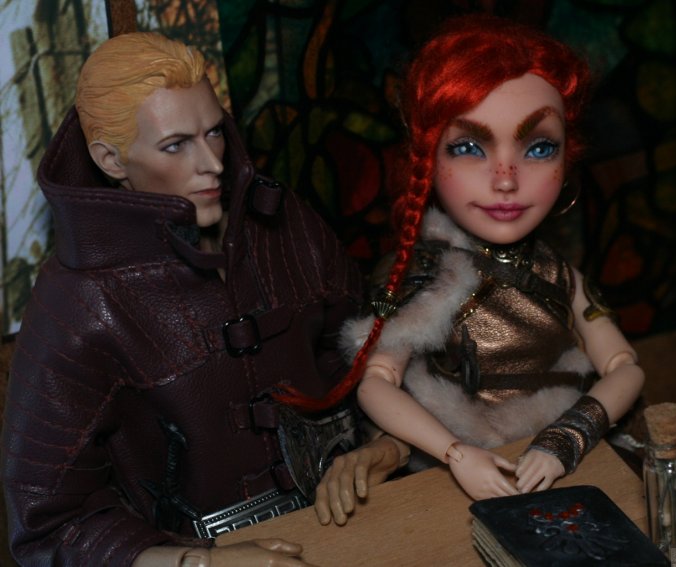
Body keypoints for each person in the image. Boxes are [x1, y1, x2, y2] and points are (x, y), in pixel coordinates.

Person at [0, 32, 406, 567]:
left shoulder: (285, 226)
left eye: (214, 132)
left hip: (360, 519)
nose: (212, 162)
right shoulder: (76, 304)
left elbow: (366, 356)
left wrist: (384, 443)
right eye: (176, 145)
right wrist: (197, 563)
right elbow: (47, 524)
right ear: (111, 160)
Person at [338, 14, 645, 501]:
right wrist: (456, 454)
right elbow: (376, 383)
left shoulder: (558, 271)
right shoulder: (426, 272)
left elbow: (625, 366)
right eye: (468, 147)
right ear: (427, 159)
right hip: (460, 478)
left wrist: (568, 437)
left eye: (539, 148)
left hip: (567, 464)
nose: (505, 179)